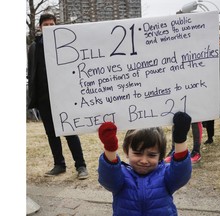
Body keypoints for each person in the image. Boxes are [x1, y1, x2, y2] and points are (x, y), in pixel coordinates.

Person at [27, 13, 88, 179]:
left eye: (51, 24)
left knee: (69, 130)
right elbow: (32, 73)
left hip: (63, 96)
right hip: (43, 98)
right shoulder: (33, 47)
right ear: (40, 27)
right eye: (45, 24)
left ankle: (81, 165)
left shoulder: (65, 44)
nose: (49, 27)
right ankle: (59, 164)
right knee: (51, 133)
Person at [97, 112, 192, 215]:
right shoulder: (121, 176)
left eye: (151, 155)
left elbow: (181, 174)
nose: (144, 160)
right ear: (126, 151)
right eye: (137, 153)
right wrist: (110, 148)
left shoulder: (165, 175)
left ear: (160, 156)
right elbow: (109, 178)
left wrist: (180, 140)